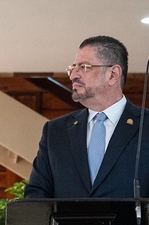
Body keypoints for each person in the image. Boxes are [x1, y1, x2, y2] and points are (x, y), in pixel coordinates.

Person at [24, 35, 149, 198]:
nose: (73, 75)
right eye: (73, 68)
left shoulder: (145, 126)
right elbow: (36, 194)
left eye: (84, 67)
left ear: (113, 74)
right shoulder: (55, 131)